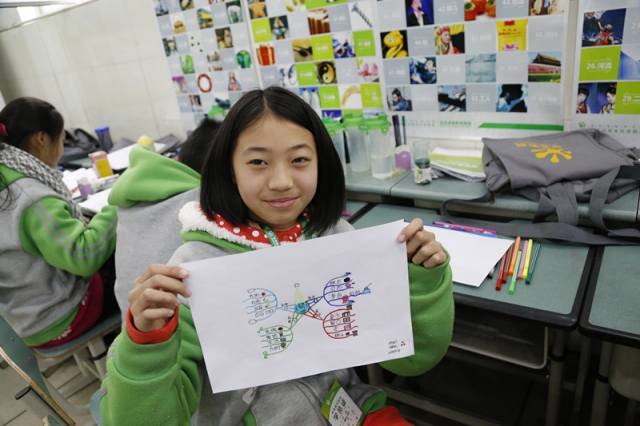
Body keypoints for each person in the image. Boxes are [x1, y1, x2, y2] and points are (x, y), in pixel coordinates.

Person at [100, 87, 454, 425]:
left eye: (299, 159)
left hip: (352, 411)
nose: (282, 180)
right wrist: (146, 343)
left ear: (321, 164)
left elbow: (413, 361)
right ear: (230, 171)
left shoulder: (338, 238)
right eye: (258, 162)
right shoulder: (193, 272)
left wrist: (422, 278)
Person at [0, 97, 118, 348]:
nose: (62, 148)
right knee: (138, 268)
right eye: (62, 139)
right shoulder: (30, 196)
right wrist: (118, 204)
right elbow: (83, 257)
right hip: (56, 318)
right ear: (41, 139)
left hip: (20, 315)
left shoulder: (6, 175)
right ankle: (124, 351)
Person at [108, 118, 220, 321]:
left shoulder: (129, 195)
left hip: (131, 326)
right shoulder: (205, 203)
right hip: (173, 329)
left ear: (179, 159)